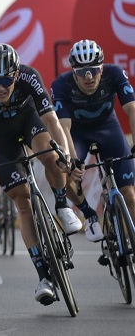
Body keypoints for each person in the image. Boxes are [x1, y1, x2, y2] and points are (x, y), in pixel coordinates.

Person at [0, 43, 81, 305]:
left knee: (50, 156)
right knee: (22, 201)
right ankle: (43, 276)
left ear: (16, 74)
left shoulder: (29, 76)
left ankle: (61, 206)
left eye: (6, 80)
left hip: (27, 120)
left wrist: (65, 154)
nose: (0, 87)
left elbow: (51, 120)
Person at [51, 39, 135, 239]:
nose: (88, 77)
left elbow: (132, 109)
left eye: (93, 70)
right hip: (77, 134)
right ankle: (89, 215)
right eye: (81, 72)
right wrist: (72, 159)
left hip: (108, 129)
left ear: (102, 68)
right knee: (66, 172)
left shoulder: (114, 73)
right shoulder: (61, 84)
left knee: (130, 195)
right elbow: (64, 127)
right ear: (73, 72)